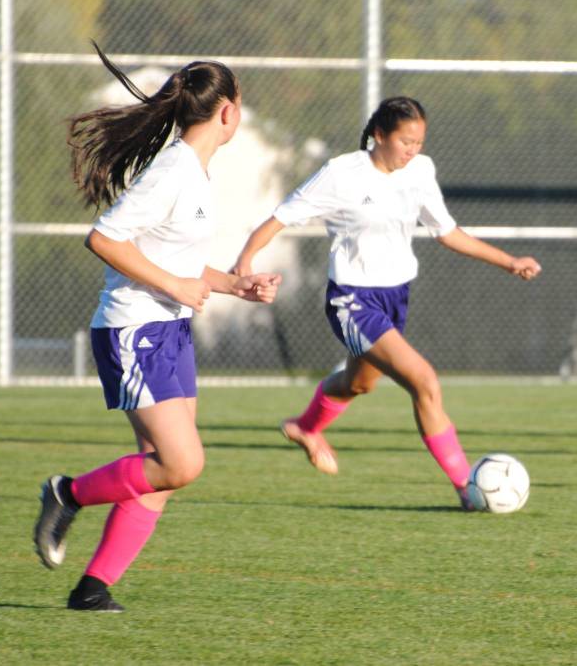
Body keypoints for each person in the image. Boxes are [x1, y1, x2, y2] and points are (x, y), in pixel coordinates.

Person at [32, 42, 281, 612]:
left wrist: (234, 284)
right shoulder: (173, 171)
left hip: (166, 331)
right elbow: (104, 237)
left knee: (162, 471)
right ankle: (65, 494)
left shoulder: (192, 173)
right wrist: (174, 288)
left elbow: (176, 261)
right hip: (133, 332)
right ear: (227, 112)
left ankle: (93, 588)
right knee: (182, 462)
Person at [232, 96, 541, 508]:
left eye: (419, 142)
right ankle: (465, 487)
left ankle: (306, 427)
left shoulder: (421, 171)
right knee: (424, 382)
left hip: (395, 296)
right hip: (352, 300)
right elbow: (281, 217)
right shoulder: (343, 174)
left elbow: (446, 232)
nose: (413, 150)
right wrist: (245, 263)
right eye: (406, 141)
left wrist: (508, 262)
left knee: (357, 384)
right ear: (379, 135)